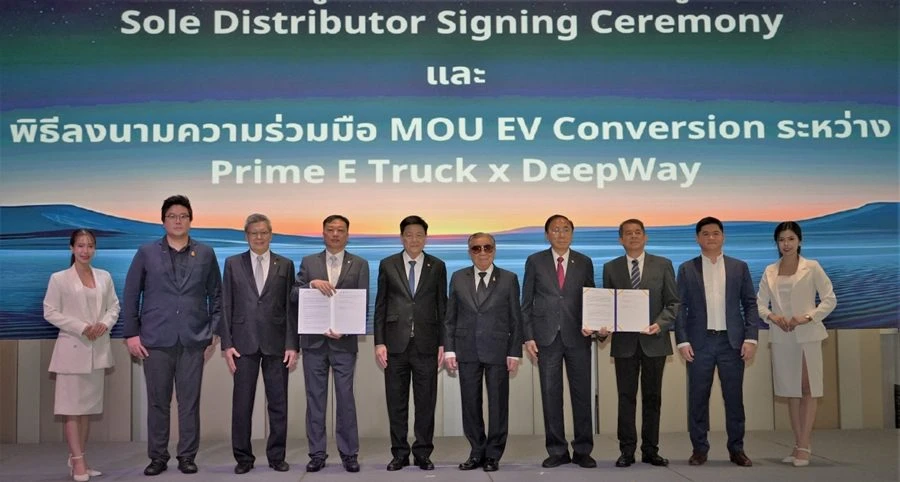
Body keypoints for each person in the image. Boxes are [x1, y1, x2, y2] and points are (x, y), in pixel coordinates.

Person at [122, 195, 222, 476]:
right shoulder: (146, 252)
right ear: (163, 221)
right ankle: (157, 457)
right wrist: (131, 334)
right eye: (172, 216)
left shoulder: (205, 253)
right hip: (155, 340)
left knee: (189, 403)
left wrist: (214, 332)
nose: (178, 221)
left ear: (191, 220)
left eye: (183, 216)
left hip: (194, 339)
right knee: (158, 403)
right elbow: (131, 295)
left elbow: (217, 295)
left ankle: (187, 456)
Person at [674, 216, 760, 467]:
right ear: (697, 238)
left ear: (723, 237)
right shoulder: (687, 269)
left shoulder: (739, 267)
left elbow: (750, 304)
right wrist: (682, 341)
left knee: (734, 399)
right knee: (698, 399)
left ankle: (737, 450)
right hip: (699, 343)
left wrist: (751, 337)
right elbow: (679, 307)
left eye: (715, 233)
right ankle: (699, 449)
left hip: (731, 343)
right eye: (705, 234)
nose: (711, 238)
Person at [220, 214, 298, 474]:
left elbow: (290, 308)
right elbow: (226, 304)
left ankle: (277, 457)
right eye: (254, 233)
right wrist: (227, 343)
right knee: (242, 405)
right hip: (243, 344)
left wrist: (292, 344)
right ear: (246, 236)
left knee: (278, 404)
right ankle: (243, 458)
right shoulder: (232, 263)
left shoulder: (285, 264)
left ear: (271, 234)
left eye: (264, 232)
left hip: (277, 344)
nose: (259, 237)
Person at [599, 219, 679, 468]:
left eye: (637, 232)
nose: (633, 236)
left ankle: (650, 450)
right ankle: (626, 450)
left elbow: (673, 303)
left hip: (654, 341)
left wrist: (660, 323)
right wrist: (602, 327)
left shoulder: (663, 264)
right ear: (620, 239)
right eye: (628, 233)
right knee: (626, 398)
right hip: (624, 344)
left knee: (653, 398)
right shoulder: (610, 268)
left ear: (645, 237)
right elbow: (607, 305)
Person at [292, 214, 368, 473]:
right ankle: (317, 454)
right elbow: (293, 293)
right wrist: (311, 284)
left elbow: (362, 303)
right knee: (315, 399)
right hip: (314, 343)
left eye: (340, 230)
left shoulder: (360, 264)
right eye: (331, 229)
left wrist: (347, 330)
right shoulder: (309, 262)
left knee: (345, 399)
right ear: (323, 233)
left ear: (348, 234)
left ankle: (349, 454)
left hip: (344, 344)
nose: (335, 234)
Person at [757, 221, 836, 467]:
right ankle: (798, 443)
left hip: (807, 335)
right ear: (776, 243)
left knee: (807, 388)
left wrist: (808, 316)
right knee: (791, 390)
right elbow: (760, 304)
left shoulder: (812, 267)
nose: (786, 244)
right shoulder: (770, 270)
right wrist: (773, 316)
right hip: (782, 336)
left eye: (791, 239)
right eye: (782, 239)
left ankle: (804, 445)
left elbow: (830, 299)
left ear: (799, 241)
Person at [44, 229, 120, 482]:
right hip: (72, 352)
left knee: (86, 409)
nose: (85, 251)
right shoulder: (59, 279)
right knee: (71, 410)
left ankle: (79, 459)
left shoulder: (104, 276)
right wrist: (81, 327)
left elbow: (114, 306)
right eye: (80, 246)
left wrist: (104, 324)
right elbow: (50, 311)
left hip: (97, 352)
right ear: (71, 248)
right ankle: (77, 462)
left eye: (89, 246)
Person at [522, 214, 597, 469]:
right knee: (550, 394)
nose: (561, 234)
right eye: (555, 229)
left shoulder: (584, 262)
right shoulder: (535, 261)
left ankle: (583, 450)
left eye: (566, 229)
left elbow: (591, 298)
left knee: (582, 395)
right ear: (547, 235)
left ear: (572, 233)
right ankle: (557, 450)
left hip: (578, 337)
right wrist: (528, 336)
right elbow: (526, 302)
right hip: (546, 338)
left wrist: (595, 324)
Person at [373, 215, 447, 471]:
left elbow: (442, 307)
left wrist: (444, 343)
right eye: (409, 234)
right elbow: (381, 306)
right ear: (401, 237)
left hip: (427, 344)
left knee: (426, 402)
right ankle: (399, 453)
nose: (414, 239)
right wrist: (379, 342)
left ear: (426, 238)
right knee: (397, 402)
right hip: (395, 345)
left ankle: (423, 452)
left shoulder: (437, 266)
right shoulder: (388, 264)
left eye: (419, 235)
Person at [444, 232, 523, 472]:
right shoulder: (458, 278)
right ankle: (477, 451)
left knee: (498, 405)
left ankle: (493, 455)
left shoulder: (509, 279)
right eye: (476, 248)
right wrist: (449, 350)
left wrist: (514, 352)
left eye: (487, 247)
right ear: (469, 252)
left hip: (498, 350)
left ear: (494, 250)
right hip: (466, 349)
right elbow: (450, 317)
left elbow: (516, 319)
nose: (482, 253)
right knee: (470, 404)